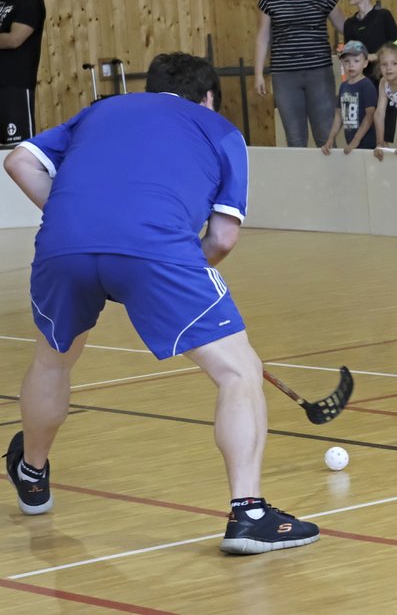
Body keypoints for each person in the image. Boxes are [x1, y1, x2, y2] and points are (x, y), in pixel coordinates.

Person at [2, 52, 319, 555]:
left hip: (65, 242)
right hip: (158, 250)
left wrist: (78, 220)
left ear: (153, 88)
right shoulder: (219, 129)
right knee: (239, 373)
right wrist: (163, 262)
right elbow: (222, 236)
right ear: (208, 96)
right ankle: (249, 515)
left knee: (52, 360)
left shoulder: (102, 110)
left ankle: (32, 474)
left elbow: (18, 160)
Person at [254, 0, 344, 148]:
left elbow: (344, 26)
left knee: (325, 135)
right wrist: (259, 74)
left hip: (319, 72)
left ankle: (331, 180)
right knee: (295, 138)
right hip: (285, 75)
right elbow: (262, 36)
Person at [343, 0, 397, 144]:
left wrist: (375, 57)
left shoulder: (383, 16)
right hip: (362, 85)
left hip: (383, 82)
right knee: (362, 136)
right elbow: (349, 55)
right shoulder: (349, 24)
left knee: (382, 137)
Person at [0, 0, 47, 146]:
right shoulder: (3, 0)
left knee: (16, 151)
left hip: (16, 88)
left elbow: (13, 39)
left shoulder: (31, 0)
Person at [321, 40, 377, 155]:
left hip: (367, 144)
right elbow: (338, 114)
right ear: (342, 62)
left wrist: (356, 141)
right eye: (347, 61)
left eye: (356, 61)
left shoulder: (366, 85)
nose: (351, 65)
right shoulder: (343, 86)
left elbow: (370, 115)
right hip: (352, 144)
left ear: (365, 63)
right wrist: (331, 138)